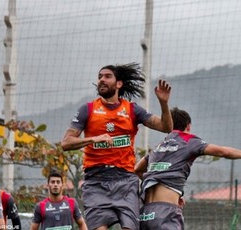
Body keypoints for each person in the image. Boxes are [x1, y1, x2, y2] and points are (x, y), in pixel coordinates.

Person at [61, 63, 173, 230]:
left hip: (125, 181)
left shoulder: (132, 110)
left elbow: (166, 127)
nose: (101, 80)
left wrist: (164, 104)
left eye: (107, 76)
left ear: (119, 84)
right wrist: (94, 139)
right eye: (99, 77)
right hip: (96, 180)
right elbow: (66, 142)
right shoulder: (88, 109)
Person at [135, 107, 241, 229]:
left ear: (169, 123)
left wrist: (169, 190)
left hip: (144, 213)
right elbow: (223, 152)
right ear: (188, 126)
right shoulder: (188, 140)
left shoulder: (158, 147)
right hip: (165, 213)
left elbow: (137, 169)